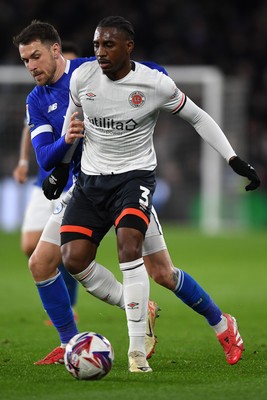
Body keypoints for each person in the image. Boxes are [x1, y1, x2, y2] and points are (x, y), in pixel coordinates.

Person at [13, 19, 260, 372]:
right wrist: (60, 170)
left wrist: (233, 158)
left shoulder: (129, 76)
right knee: (54, 260)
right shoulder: (61, 90)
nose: (31, 66)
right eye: (25, 60)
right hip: (85, 185)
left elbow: (193, 112)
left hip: (132, 182)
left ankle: (216, 326)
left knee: (160, 271)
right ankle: (76, 342)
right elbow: (66, 138)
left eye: (35, 56)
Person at [12, 41, 82, 325]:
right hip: (44, 180)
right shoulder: (39, 96)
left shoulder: (85, 91)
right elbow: (29, 130)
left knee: (64, 250)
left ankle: (69, 306)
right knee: (30, 245)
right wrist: (23, 161)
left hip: (73, 181)